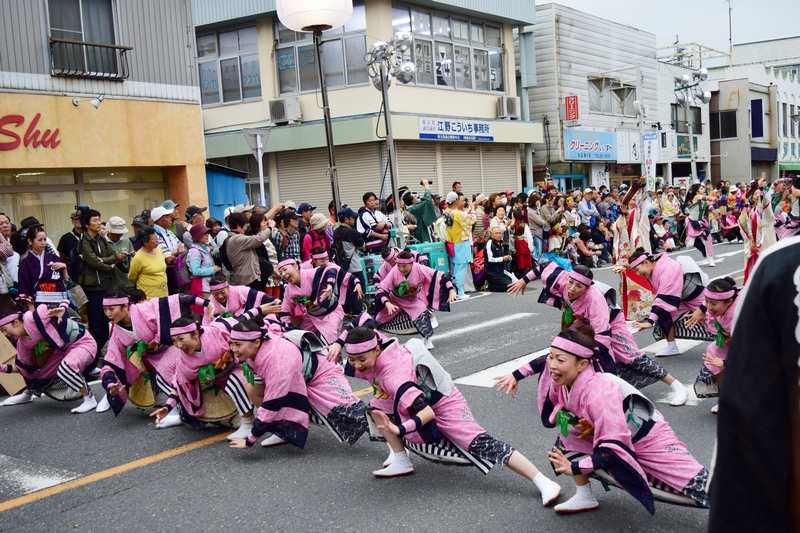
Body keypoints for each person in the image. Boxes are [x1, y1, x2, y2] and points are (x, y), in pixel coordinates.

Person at [341, 326, 562, 506]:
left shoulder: (393, 377)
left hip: (442, 400)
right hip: (417, 393)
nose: (357, 366)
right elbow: (363, 322)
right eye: (351, 359)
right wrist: (336, 343)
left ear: (377, 351)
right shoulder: (378, 342)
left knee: (481, 443)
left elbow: (426, 413)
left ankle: (543, 481)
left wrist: (399, 430)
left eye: (361, 359)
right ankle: (401, 460)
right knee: (377, 408)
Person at [496, 329, 708, 514]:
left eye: (560, 360)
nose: (552, 365)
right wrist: (516, 375)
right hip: (609, 432)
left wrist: (578, 467)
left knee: (700, 486)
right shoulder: (566, 374)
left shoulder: (599, 391)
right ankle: (584, 496)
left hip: (645, 435)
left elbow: (615, 443)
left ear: (583, 364)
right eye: (552, 357)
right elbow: (544, 361)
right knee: (565, 445)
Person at [708, 236, 800, 532]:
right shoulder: (782, 265)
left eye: (713, 303)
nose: (708, 307)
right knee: (711, 357)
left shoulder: (783, 265)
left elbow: (749, 419)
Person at [505, 264, 688, 405]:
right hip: (581, 320)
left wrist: (593, 356)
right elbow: (544, 266)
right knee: (562, 350)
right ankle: (574, 390)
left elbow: (602, 339)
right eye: (571, 283)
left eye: (578, 286)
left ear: (586, 288)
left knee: (629, 356)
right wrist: (524, 280)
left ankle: (676, 386)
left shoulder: (595, 301)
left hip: (609, 322)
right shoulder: (563, 279)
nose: (571, 288)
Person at [227, 317, 368, 450]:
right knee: (253, 389)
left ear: (257, 342)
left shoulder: (277, 359)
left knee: (353, 413)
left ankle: (388, 436)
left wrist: (250, 440)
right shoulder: (260, 341)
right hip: (296, 373)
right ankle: (282, 431)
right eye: (231, 343)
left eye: (238, 344)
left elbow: (272, 403)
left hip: (322, 371)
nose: (233, 349)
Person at [150, 317, 255, 440]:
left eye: (181, 339)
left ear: (195, 333)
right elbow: (179, 383)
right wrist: (168, 407)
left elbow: (241, 325)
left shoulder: (217, 332)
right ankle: (182, 415)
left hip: (238, 368)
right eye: (174, 341)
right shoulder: (183, 359)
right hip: (214, 384)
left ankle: (248, 423)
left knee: (235, 379)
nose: (178, 345)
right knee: (165, 379)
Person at [98, 288, 182, 426]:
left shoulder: (145, 309)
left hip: (170, 348)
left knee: (164, 370)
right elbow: (111, 360)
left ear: (125, 306)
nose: (108, 314)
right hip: (149, 358)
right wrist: (109, 384)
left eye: (111, 309)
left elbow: (173, 302)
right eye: (105, 309)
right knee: (137, 372)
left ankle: (177, 410)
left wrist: (206, 304)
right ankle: (169, 403)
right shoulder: (117, 330)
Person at [0, 301, 97, 413]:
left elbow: (63, 300)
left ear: (16, 322)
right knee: (39, 375)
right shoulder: (23, 343)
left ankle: (89, 399)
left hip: (84, 343)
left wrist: (63, 308)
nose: (6, 335)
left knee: (66, 367)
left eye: (4, 330)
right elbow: (24, 368)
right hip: (61, 351)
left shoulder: (37, 316)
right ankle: (27, 395)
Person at [626, 248, 707, 357]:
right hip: (680, 298)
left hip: (696, 295)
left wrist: (650, 321)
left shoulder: (667, 268)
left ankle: (730, 344)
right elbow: (662, 300)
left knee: (714, 322)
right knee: (663, 312)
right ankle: (672, 346)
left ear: (646, 262)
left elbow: (662, 298)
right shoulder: (652, 266)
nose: (637, 273)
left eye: (637, 269)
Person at [374, 250, 456, 350]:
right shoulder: (394, 270)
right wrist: (387, 303)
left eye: (404, 266)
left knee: (421, 311)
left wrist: (451, 290)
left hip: (412, 298)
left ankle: (428, 339)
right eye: (398, 265)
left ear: (412, 263)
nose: (401, 268)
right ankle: (376, 341)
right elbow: (381, 288)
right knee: (378, 319)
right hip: (395, 299)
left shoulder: (419, 268)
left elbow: (440, 276)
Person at [684, 277, 739, 414]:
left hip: (758, 344)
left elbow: (750, 349)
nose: (709, 306)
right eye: (707, 302)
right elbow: (710, 307)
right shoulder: (721, 304)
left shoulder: (740, 315)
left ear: (730, 302)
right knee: (713, 353)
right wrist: (702, 309)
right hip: (733, 338)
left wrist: (726, 362)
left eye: (713, 303)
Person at [79, 208, 124, 368]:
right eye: (95, 220)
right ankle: (90, 362)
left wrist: (106, 261)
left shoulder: (101, 238)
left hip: (106, 284)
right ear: (86, 224)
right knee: (97, 325)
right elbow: (94, 263)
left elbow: (115, 256)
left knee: (108, 321)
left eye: (99, 219)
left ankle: (107, 359)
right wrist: (109, 264)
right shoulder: (84, 241)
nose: (99, 223)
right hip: (93, 287)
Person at [277, 258, 343, 344]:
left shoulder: (310, 274)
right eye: (281, 273)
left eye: (285, 270)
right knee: (302, 338)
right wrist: (288, 328)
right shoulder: (289, 290)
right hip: (311, 315)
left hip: (331, 312)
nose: (283, 274)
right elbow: (285, 311)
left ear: (296, 266)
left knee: (330, 340)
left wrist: (330, 286)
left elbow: (330, 270)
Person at [17, 226, 69, 308]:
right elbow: (25, 287)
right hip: (39, 303)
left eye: (45, 239)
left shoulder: (54, 258)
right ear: (30, 241)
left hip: (60, 303)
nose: (43, 243)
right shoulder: (25, 263)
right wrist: (31, 309)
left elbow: (66, 281)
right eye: (40, 240)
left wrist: (64, 268)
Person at [204, 275, 280, 325]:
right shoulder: (209, 304)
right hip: (223, 328)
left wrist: (279, 302)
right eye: (216, 294)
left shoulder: (238, 290)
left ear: (228, 287)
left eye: (222, 292)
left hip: (243, 320)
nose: (220, 296)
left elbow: (259, 296)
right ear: (211, 293)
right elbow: (206, 324)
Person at [226, 212, 272, 291]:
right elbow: (258, 239)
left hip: (247, 278)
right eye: (244, 226)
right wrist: (270, 228)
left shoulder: (235, 239)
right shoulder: (237, 239)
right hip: (247, 280)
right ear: (238, 226)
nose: (246, 228)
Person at [444, 192, 476, 299]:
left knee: (455, 267)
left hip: (451, 243)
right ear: (456, 201)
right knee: (462, 267)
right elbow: (472, 220)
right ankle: (460, 291)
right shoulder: (458, 213)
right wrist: (472, 209)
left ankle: (455, 290)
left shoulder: (446, 212)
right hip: (461, 243)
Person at [151, 205, 184, 295]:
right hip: (166, 273)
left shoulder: (169, 232)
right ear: (159, 220)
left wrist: (174, 253)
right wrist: (177, 252)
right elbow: (168, 259)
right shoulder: (155, 234)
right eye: (166, 217)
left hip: (175, 271)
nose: (170, 218)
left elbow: (183, 248)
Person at [127, 227, 168, 299]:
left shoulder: (159, 251)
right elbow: (132, 278)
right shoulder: (138, 258)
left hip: (163, 294)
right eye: (154, 239)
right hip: (148, 296)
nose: (157, 241)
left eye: (157, 238)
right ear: (145, 242)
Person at [331, 207, 365, 286]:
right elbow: (362, 245)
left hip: (341, 267)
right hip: (354, 267)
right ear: (346, 219)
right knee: (359, 293)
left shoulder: (336, 231)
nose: (354, 219)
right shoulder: (352, 232)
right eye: (352, 217)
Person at [685, 183, 716, 266]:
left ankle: (711, 260)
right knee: (689, 245)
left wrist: (720, 222)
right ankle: (696, 244)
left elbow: (713, 211)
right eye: (702, 188)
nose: (703, 189)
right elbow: (707, 197)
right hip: (692, 222)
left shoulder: (705, 203)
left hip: (701, 222)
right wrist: (714, 198)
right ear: (697, 191)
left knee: (707, 239)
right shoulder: (696, 197)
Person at [186, 223, 220, 298]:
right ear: (197, 236)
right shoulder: (194, 251)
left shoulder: (204, 248)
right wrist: (212, 269)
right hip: (202, 287)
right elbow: (196, 271)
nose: (207, 235)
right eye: (204, 233)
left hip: (208, 285)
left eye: (207, 233)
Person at [105, 216, 135, 290]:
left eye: (121, 233)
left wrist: (134, 256)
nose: (119, 235)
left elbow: (132, 261)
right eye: (116, 233)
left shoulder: (126, 241)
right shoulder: (103, 242)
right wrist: (115, 258)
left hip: (128, 283)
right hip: (111, 284)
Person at [484, 227, 513, 292]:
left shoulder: (500, 243)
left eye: (500, 233)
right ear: (491, 235)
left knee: (514, 283)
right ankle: (489, 285)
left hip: (501, 272)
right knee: (510, 287)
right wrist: (503, 259)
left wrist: (508, 257)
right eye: (496, 233)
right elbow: (490, 259)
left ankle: (492, 284)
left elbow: (500, 256)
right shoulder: (489, 244)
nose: (498, 235)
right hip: (493, 273)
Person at [57, 210, 83, 278]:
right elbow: (62, 257)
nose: (79, 221)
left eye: (81, 218)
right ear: (72, 221)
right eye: (76, 219)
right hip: (73, 274)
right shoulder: (66, 238)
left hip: (91, 276)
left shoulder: (91, 236)